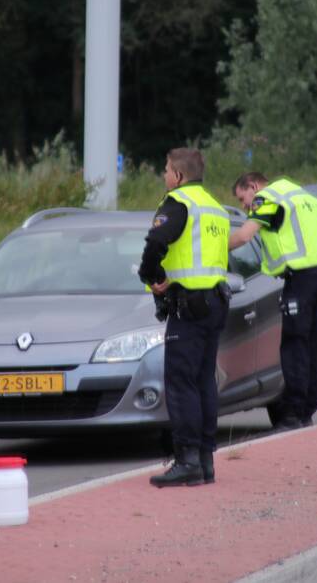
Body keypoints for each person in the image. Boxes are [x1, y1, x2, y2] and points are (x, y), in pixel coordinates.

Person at [138, 147, 231, 487]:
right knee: (204, 380)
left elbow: (156, 241)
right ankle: (205, 461)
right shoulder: (216, 208)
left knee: (180, 383)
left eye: (166, 170)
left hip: (189, 306)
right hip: (216, 302)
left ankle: (187, 459)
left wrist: (151, 276)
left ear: (178, 175)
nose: (164, 176)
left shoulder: (178, 203)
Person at [229, 172, 317, 431]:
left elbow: (244, 236)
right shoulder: (303, 195)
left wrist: (209, 250)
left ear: (253, 186)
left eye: (243, 198)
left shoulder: (267, 198)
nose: (245, 206)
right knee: (314, 343)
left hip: (301, 277)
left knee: (294, 344)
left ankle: (293, 415)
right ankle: (308, 409)